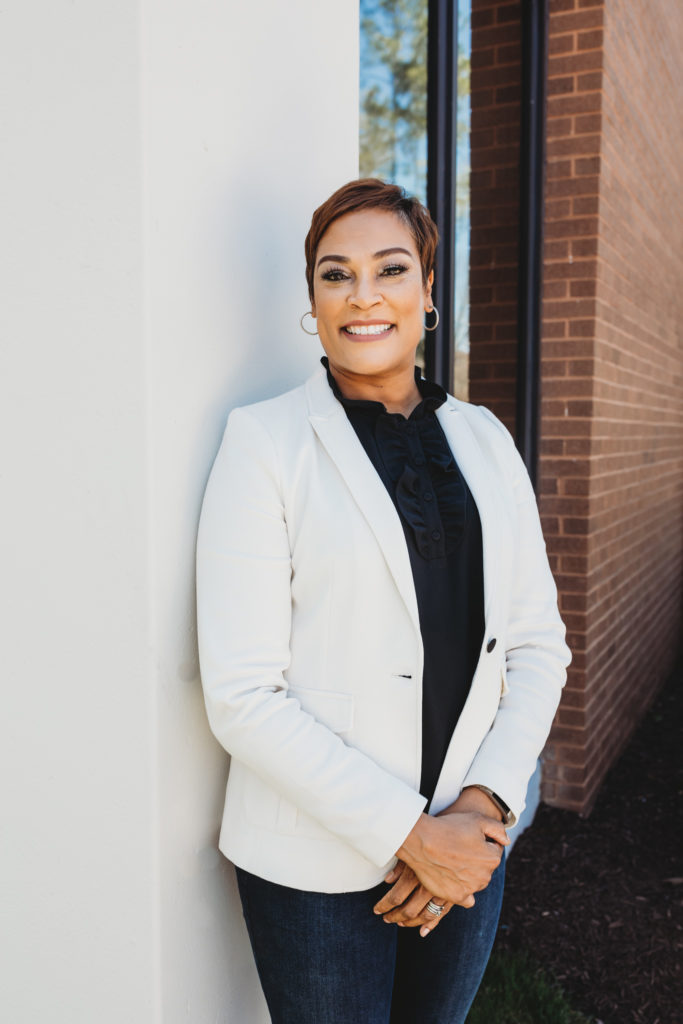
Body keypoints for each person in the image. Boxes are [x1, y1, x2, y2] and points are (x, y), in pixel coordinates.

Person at [196, 178, 571, 1023]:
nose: (363, 296)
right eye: (336, 275)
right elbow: (243, 695)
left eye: (389, 269)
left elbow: (536, 646)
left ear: (427, 293)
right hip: (315, 869)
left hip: (470, 843)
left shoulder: (485, 439)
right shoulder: (265, 443)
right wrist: (412, 838)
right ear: (312, 301)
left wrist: (482, 813)